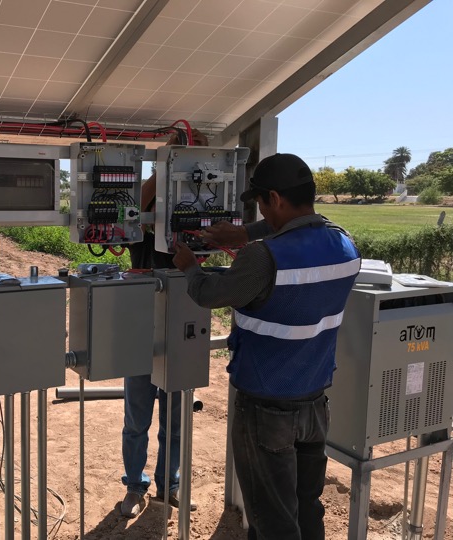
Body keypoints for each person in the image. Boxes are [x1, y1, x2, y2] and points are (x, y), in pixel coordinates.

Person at [172, 153, 361, 540]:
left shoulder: (263, 257)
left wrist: (189, 266)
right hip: (314, 403)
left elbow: (210, 294)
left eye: (260, 202)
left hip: (266, 409)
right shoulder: (344, 244)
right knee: (306, 507)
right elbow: (299, 233)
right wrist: (244, 233)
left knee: (272, 520)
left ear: (274, 198)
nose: (260, 210)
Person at [120, 129, 207, 518]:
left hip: (182, 325)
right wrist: (165, 161)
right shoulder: (147, 209)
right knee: (137, 417)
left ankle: (169, 484)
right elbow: (131, 208)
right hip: (141, 324)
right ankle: (134, 486)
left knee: (175, 418)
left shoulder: (199, 207)